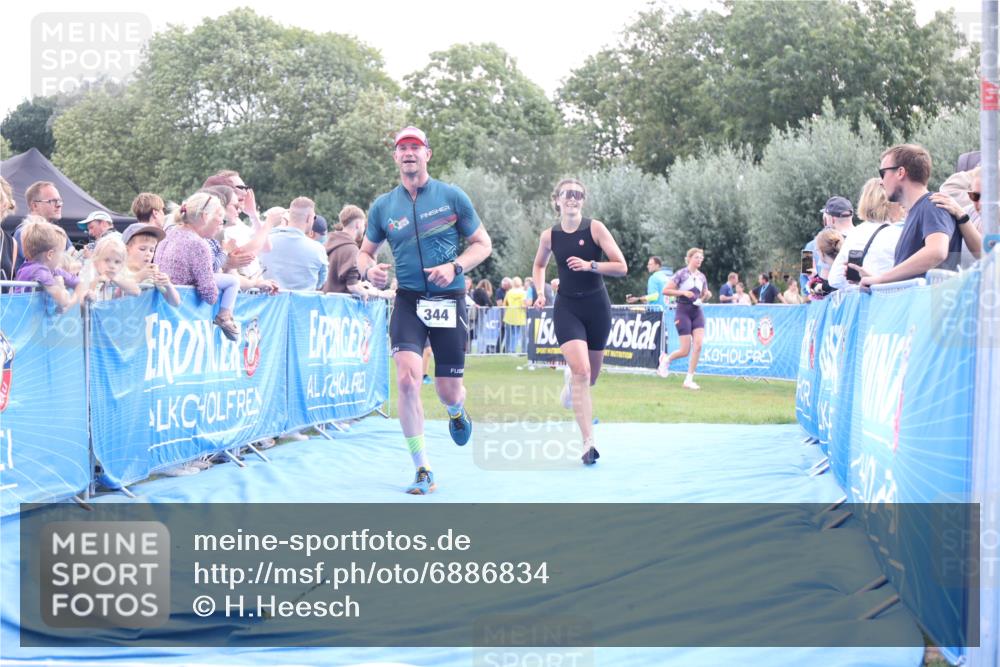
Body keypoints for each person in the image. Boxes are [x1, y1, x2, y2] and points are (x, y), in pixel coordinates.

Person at [358, 126, 493, 495]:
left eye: (415, 148)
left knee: (449, 391)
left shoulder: (451, 196)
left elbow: (483, 244)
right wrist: (367, 268)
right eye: (402, 148)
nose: (409, 154)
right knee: (406, 379)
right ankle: (422, 468)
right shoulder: (384, 206)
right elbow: (365, 251)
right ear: (395, 158)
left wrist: (456, 267)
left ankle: (455, 410)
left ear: (428, 155)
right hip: (409, 300)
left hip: (448, 299)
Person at [531, 177, 628, 465]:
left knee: (591, 377)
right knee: (583, 372)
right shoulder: (550, 236)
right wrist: (540, 291)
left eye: (578, 194)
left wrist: (590, 266)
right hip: (567, 307)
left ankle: (569, 386)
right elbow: (539, 265)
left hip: (597, 307)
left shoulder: (594, 228)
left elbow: (621, 267)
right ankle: (588, 443)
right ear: (557, 200)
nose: (572, 198)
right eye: (566, 194)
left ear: (582, 200)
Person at [861, 144, 960, 286]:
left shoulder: (933, 204)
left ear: (900, 172)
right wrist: (878, 280)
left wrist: (882, 279)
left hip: (929, 305)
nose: (881, 182)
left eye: (883, 173)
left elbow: (937, 251)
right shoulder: (919, 210)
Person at [155, 192, 244, 341]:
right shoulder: (198, 244)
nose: (220, 224)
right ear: (204, 216)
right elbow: (210, 295)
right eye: (220, 218)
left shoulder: (169, 232)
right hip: (181, 318)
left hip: (162, 310)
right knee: (233, 281)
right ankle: (225, 317)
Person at [828, 178, 906, 290]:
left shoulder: (855, 234)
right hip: (893, 301)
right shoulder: (899, 234)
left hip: (864, 302)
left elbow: (834, 280)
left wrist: (857, 282)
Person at [656, 248, 711, 389]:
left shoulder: (702, 277)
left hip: (697, 311)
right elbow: (665, 290)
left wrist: (707, 295)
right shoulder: (681, 274)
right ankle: (666, 359)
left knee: (698, 345)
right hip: (683, 311)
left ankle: (688, 379)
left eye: (701, 258)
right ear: (690, 258)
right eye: (697, 257)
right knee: (685, 350)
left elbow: (703, 294)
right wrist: (682, 293)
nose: (700, 260)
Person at [13, 220, 87, 309]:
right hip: (23, 320)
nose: (63, 255)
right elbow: (63, 300)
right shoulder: (38, 270)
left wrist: (70, 304)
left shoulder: (52, 269)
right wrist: (60, 285)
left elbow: (80, 283)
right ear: (50, 255)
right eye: (62, 252)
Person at [260, 197, 328, 291]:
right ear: (309, 218)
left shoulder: (264, 242)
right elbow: (321, 282)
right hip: (304, 303)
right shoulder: (318, 249)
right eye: (314, 217)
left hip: (269, 303)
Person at [324, 204, 390, 299]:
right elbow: (352, 286)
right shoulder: (351, 248)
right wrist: (365, 293)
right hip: (340, 307)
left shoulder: (326, 242)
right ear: (358, 224)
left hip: (323, 304)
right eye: (363, 225)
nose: (364, 229)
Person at [121, 223, 181, 306]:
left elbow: (175, 303)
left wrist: (168, 285)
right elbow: (116, 296)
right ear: (126, 249)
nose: (148, 254)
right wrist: (139, 277)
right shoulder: (118, 270)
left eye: (152, 250)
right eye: (142, 249)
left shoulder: (152, 274)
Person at [78, 236, 141, 301]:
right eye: (107, 260)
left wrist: (115, 279)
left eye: (117, 262)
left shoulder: (120, 273)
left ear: (122, 264)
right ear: (96, 262)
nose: (112, 266)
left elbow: (136, 292)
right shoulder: (89, 271)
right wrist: (98, 281)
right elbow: (86, 291)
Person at [502, 276, 527, 352]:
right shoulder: (523, 293)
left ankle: (508, 350)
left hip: (509, 315)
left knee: (509, 335)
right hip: (520, 316)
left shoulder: (509, 292)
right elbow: (524, 304)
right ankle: (514, 350)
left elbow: (504, 304)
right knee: (517, 334)